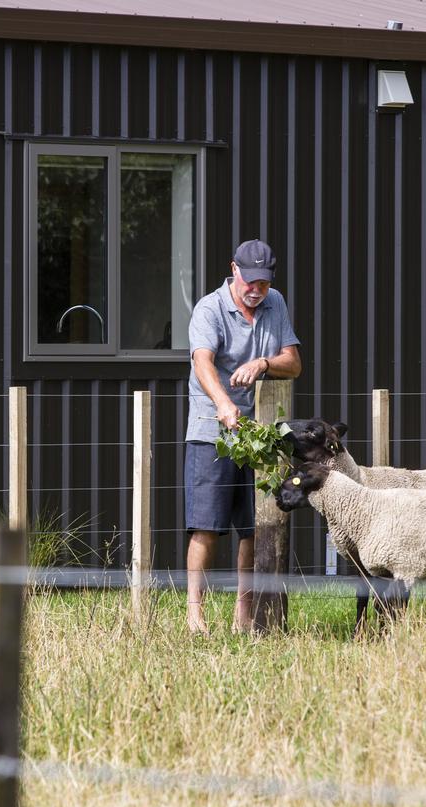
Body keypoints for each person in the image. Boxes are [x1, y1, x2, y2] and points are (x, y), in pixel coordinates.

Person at [185, 239, 302, 633]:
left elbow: (294, 363)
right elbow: (202, 361)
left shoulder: (276, 304)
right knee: (206, 525)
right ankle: (195, 614)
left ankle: (243, 614)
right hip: (211, 430)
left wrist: (264, 362)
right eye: (250, 281)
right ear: (233, 269)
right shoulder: (209, 308)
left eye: (263, 283)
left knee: (254, 525)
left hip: (258, 434)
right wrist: (222, 402)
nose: (256, 290)